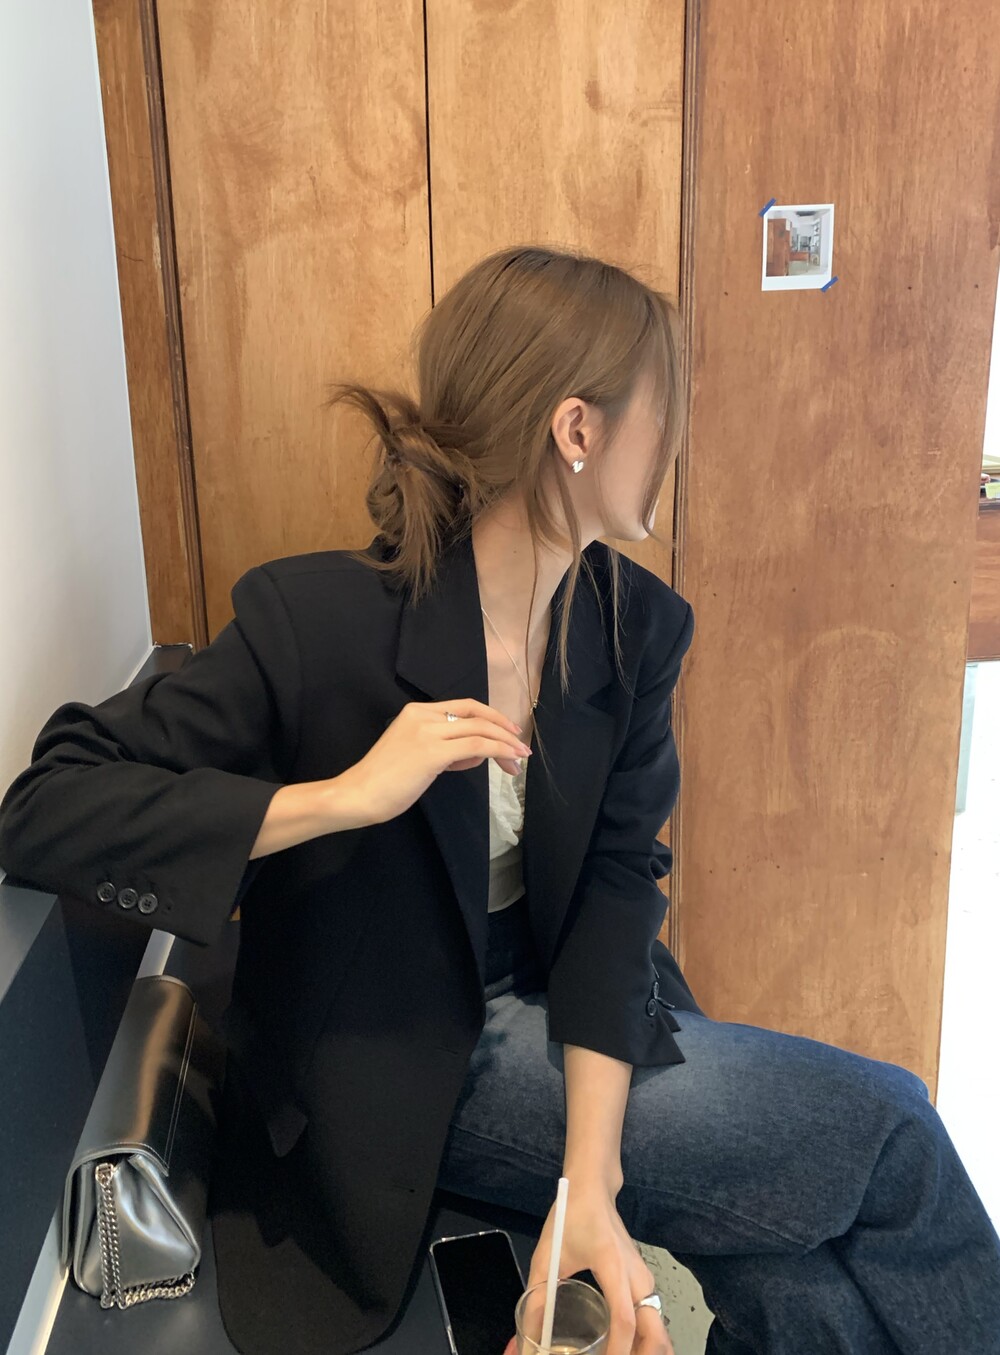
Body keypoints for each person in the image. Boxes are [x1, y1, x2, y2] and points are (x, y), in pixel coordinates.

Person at [1, 245, 998, 1355]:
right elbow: (45, 802)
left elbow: (618, 888)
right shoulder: (318, 622)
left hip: (576, 1008)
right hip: (400, 1060)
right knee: (893, 1133)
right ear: (577, 429)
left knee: (805, 1274)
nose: (676, 439)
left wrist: (589, 1180)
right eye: (663, 409)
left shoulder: (633, 627)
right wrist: (341, 797)